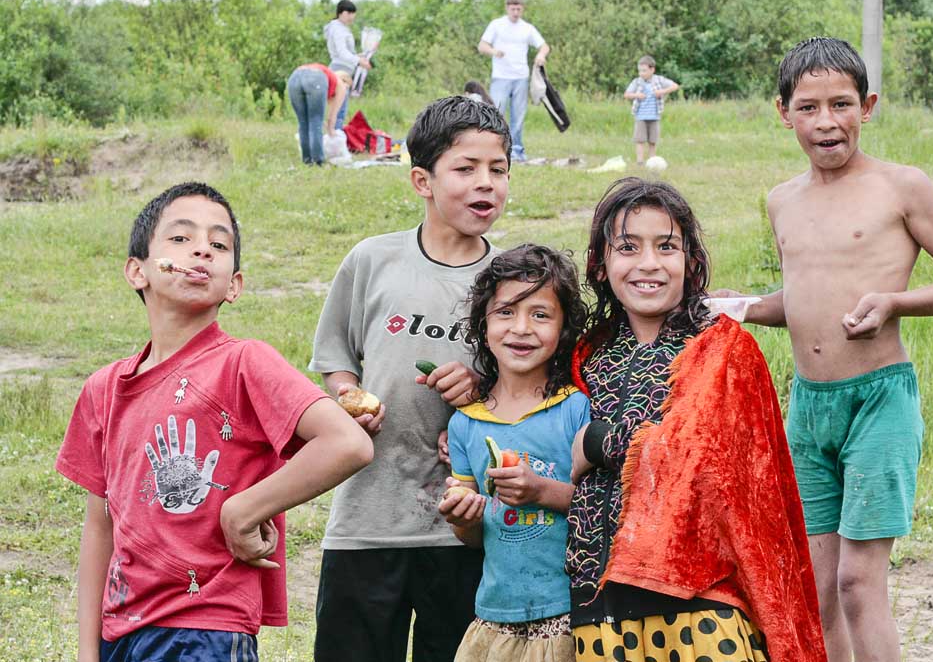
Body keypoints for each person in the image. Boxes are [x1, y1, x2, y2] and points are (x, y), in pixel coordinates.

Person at [717, 37, 933, 662]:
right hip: (809, 409)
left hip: (879, 402)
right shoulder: (782, 200)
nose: (826, 121)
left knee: (859, 585)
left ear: (867, 106)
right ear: (783, 112)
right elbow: (806, 300)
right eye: (808, 107)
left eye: (841, 104)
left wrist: (895, 303)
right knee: (815, 590)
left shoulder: (901, 187)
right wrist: (748, 307)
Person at [55, 182, 374, 662]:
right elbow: (99, 526)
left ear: (234, 285)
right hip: (121, 631)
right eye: (180, 239)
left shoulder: (245, 362)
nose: (201, 249)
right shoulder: (104, 389)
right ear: (137, 271)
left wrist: (241, 509)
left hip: (207, 627)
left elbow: (347, 442)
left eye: (218, 244)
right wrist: (87, 651)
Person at [567, 178, 826, 662]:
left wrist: (598, 443)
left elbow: (708, 464)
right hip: (597, 608)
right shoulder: (588, 353)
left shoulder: (724, 347)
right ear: (601, 265)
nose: (648, 263)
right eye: (628, 247)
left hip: (699, 608)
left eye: (666, 247)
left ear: (691, 261)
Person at [309, 95, 513, 662]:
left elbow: (531, 385)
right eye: (466, 168)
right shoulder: (373, 261)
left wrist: (481, 389)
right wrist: (348, 394)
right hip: (366, 516)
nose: (486, 184)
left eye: (498, 169)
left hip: (463, 522)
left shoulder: (510, 280)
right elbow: (336, 358)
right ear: (422, 180)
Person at [438, 244, 590, 662]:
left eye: (540, 315)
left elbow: (603, 511)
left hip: (568, 616)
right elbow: (471, 538)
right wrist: (462, 517)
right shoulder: (465, 423)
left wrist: (540, 491)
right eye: (505, 312)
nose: (521, 328)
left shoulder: (577, 408)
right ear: (482, 325)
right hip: (496, 616)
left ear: (563, 330)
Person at [478, 0, 550, 162]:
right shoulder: (497, 25)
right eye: (513, 9)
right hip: (501, 77)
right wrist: (494, 51)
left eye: (518, 9)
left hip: (520, 77)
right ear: (507, 8)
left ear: (522, 9)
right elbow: (482, 46)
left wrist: (541, 55)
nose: (516, 12)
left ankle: (516, 151)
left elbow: (544, 46)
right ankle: (491, 149)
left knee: (518, 117)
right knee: (495, 113)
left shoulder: (527, 28)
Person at [286, 63, 351, 165]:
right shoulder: (341, 86)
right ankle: (318, 161)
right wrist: (331, 132)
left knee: (303, 123)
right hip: (314, 77)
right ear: (346, 82)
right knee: (315, 121)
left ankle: (307, 160)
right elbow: (332, 117)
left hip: (294, 77)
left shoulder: (329, 79)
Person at [324, 0, 373, 130]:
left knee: (339, 109)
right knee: (339, 110)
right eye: (351, 15)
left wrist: (360, 56)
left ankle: (334, 139)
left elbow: (347, 53)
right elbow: (341, 53)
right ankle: (336, 141)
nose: (352, 18)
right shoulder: (338, 29)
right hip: (340, 71)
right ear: (344, 13)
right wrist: (359, 61)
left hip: (344, 69)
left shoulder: (340, 28)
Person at [623, 55, 679, 165]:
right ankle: (640, 161)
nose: (641, 73)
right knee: (640, 139)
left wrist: (662, 92)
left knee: (653, 140)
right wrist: (637, 95)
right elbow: (626, 94)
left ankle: (652, 161)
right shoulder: (637, 82)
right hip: (640, 116)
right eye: (639, 71)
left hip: (655, 116)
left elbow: (675, 86)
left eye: (644, 71)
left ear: (652, 69)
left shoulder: (659, 80)